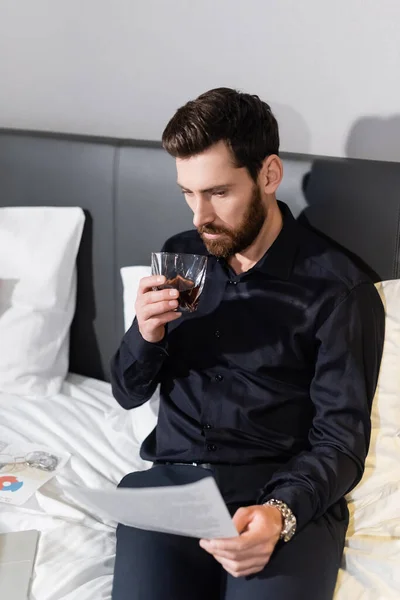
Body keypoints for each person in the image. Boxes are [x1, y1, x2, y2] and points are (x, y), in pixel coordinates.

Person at [110, 87, 385, 600]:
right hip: (174, 486)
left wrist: (280, 514)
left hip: (279, 492)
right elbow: (127, 393)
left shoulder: (339, 290)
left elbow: (341, 442)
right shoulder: (180, 257)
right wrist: (144, 334)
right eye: (187, 193)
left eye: (217, 192)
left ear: (269, 175)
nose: (199, 216)